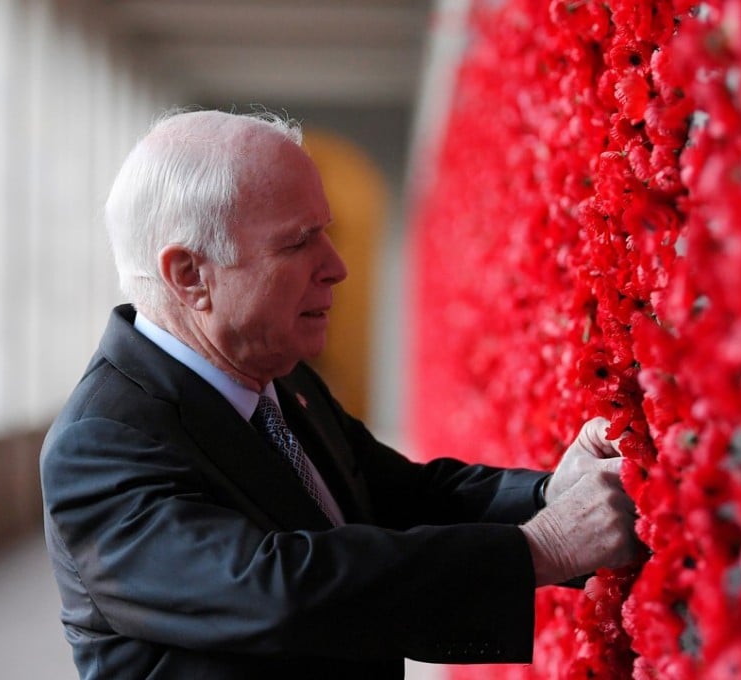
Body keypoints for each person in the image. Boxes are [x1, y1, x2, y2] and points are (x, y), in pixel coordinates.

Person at [40, 110, 640, 679]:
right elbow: (277, 592)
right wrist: (540, 548)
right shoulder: (101, 444)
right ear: (191, 275)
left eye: (325, 233)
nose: (335, 266)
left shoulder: (276, 374)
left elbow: (402, 496)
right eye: (298, 243)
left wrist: (549, 495)